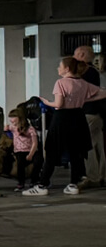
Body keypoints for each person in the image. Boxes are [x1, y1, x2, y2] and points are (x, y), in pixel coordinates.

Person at [28, 57, 106, 195]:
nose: (58, 68)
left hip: (62, 118)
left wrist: (46, 102)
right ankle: (73, 184)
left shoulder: (60, 83)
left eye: (60, 66)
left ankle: (42, 185)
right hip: (78, 117)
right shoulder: (83, 83)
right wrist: (85, 98)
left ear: (67, 69)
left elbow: (58, 104)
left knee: (52, 151)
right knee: (76, 152)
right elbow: (102, 92)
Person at [74, 46, 106, 189]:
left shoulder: (87, 73)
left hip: (89, 114)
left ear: (81, 54)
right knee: (99, 145)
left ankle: (92, 177)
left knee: (88, 146)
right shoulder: (96, 72)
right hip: (97, 114)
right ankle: (102, 175)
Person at [7, 110, 40, 193]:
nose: (11, 120)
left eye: (13, 117)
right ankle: (21, 183)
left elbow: (35, 143)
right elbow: (5, 128)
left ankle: (34, 180)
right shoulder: (13, 127)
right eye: (10, 118)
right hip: (19, 151)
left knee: (38, 161)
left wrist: (31, 154)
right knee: (20, 165)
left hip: (30, 150)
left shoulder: (30, 129)